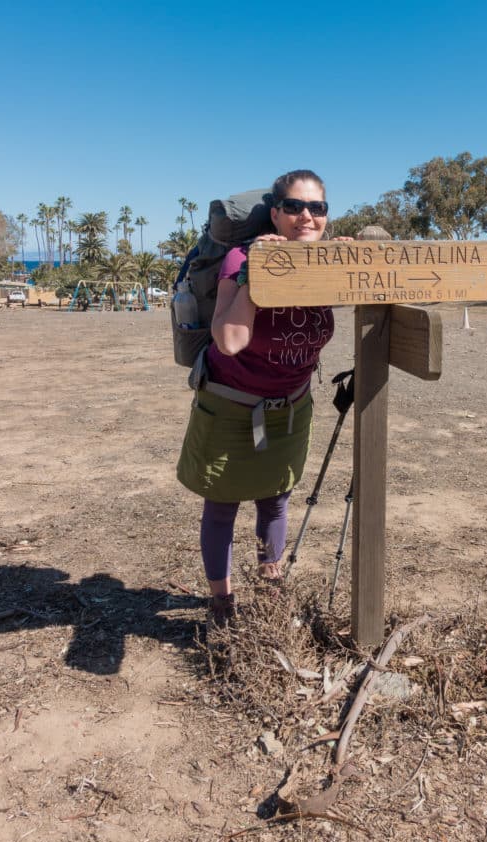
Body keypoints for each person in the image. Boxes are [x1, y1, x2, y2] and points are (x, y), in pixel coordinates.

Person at [177, 169, 347, 626]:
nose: (306, 217)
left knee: (276, 499)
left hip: (291, 406)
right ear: (275, 214)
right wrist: (258, 274)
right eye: (294, 206)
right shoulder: (240, 257)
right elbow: (229, 340)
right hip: (231, 405)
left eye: (317, 208)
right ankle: (222, 602)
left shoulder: (327, 264)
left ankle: (270, 594)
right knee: (223, 503)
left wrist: (357, 262)